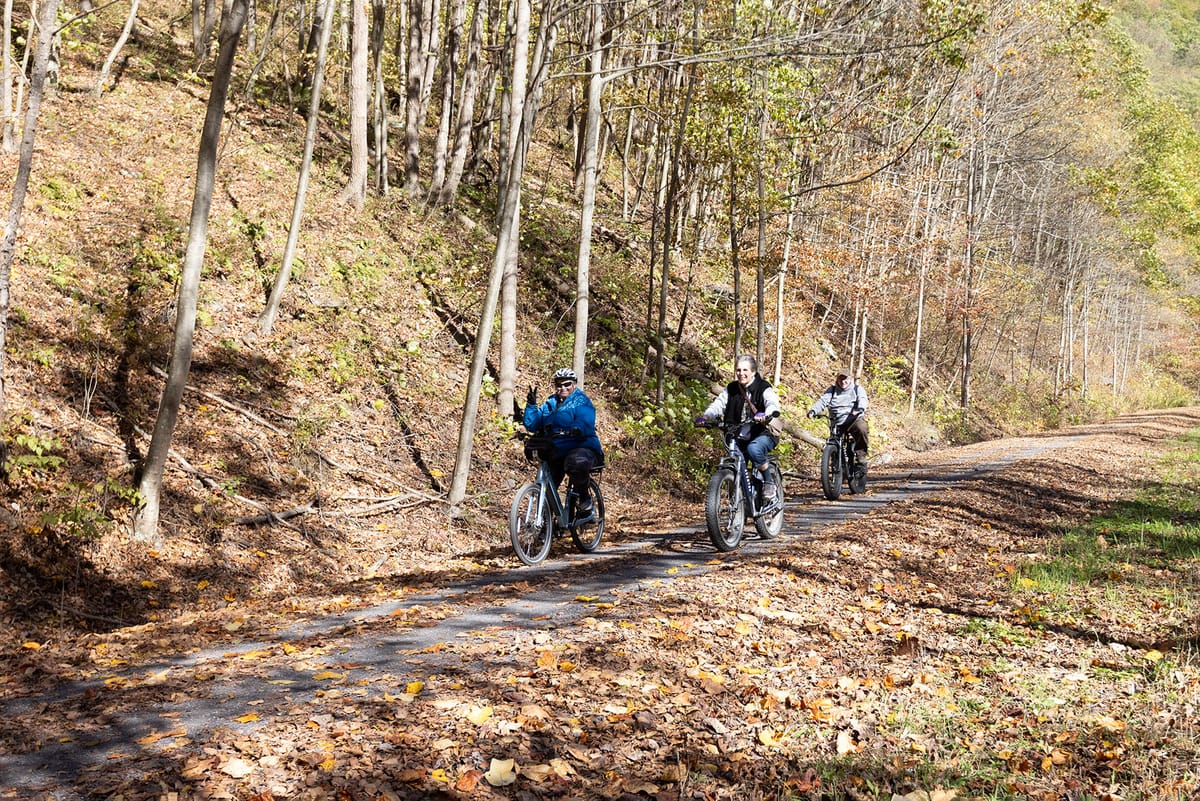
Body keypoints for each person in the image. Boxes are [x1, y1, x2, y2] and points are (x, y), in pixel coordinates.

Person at [694, 355, 783, 502]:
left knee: (754, 449)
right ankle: (740, 503)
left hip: (762, 433)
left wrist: (766, 414)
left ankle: (769, 482)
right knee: (735, 460)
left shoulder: (763, 387)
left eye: (745, 370)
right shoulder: (732, 388)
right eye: (738, 370)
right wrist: (706, 416)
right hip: (738, 434)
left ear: (753, 371)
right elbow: (719, 404)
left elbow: (771, 403)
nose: (741, 373)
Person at [522, 368, 604, 521]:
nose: (563, 388)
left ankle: (585, 499)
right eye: (559, 385)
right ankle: (545, 525)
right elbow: (533, 424)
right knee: (547, 486)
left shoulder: (582, 401)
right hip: (557, 449)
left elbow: (585, 420)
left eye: (567, 384)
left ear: (574, 384)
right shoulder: (551, 403)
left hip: (581, 446)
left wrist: (576, 428)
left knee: (576, 463)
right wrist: (531, 406)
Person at [807, 370, 869, 469]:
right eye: (841, 378)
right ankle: (836, 467)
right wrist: (813, 411)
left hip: (853, 420)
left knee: (862, 428)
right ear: (837, 379)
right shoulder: (832, 390)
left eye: (846, 379)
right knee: (832, 442)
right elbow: (823, 401)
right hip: (836, 422)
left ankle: (861, 456)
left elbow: (863, 399)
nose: (843, 381)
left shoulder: (857, 389)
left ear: (851, 379)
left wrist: (859, 409)